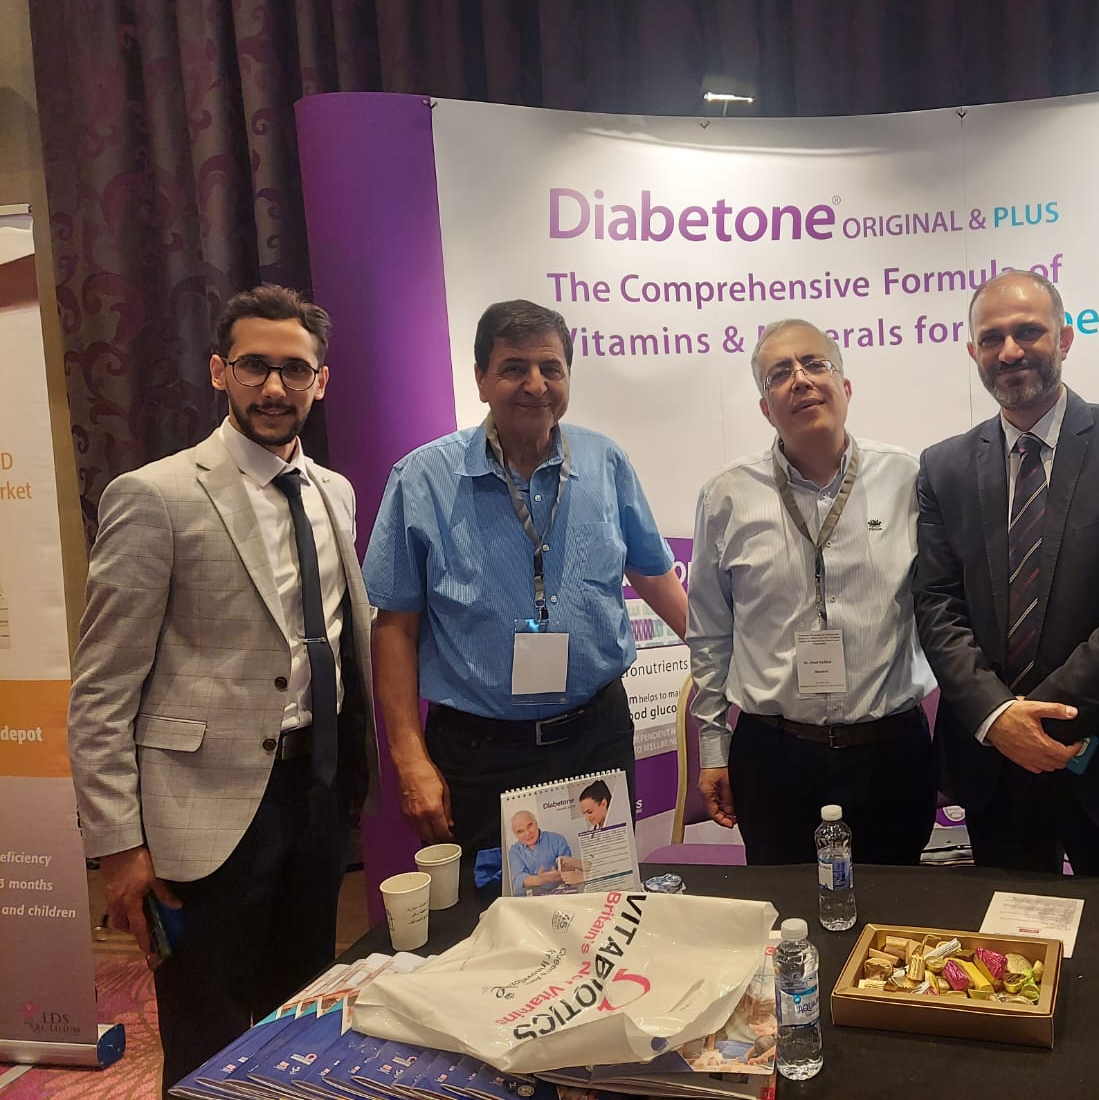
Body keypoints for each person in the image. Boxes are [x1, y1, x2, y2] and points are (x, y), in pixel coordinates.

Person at [67, 285, 375, 1095]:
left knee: (302, 1009)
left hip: (316, 792)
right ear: (218, 371)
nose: (274, 387)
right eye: (253, 367)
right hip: (200, 814)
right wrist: (118, 847)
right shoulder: (156, 495)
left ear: (320, 381)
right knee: (204, 1030)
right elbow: (101, 691)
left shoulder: (335, 493)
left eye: (294, 370)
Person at [363, 300, 687, 878]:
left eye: (550, 368)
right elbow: (395, 628)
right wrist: (409, 756)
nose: (535, 385)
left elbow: (654, 574)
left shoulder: (605, 461)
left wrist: (723, 661)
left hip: (596, 738)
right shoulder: (422, 479)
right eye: (514, 368)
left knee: (600, 895)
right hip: (479, 754)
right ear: (482, 379)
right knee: (487, 914)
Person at [913, 270, 1099, 875]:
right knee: (1010, 930)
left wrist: (1034, 715)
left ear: (1065, 338)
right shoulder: (943, 467)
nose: (1010, 351)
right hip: (997, 769)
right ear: (973, 351)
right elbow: (937, 604)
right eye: (992, 338)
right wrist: (998, 718)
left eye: (1028, 331)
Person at [688, 319, 935, 864]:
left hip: (890, 755)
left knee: (900, 907)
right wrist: (713, 748)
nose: (800, 379)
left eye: (815, 364)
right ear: (765, 408)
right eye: (779, 373)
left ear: (845, 387)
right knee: (783, 909)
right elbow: (709, 634)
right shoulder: (726, 496)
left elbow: (946, 611)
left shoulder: (910, 479)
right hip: (774, 758)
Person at [506, 809, 573, 895]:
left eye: (529, 826)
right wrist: (542, 879)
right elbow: (518, 879)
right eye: (520, 831)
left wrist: (560, 873)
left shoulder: (557, 840)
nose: (527, 833)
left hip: (558, 895)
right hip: (529, 899)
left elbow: (569, 869)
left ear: (536, 823)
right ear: (515, 835)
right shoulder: (514, 851)